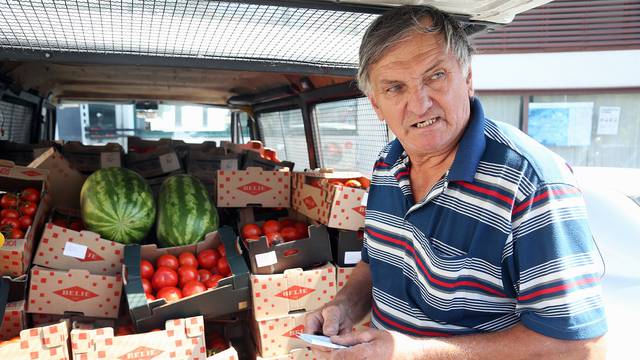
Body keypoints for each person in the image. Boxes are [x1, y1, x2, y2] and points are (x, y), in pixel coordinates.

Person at [305, 5, 607, 359]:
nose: (419, 105)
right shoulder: (387, 166)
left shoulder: (532, 184)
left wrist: (412, 354)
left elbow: (581, 347)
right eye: (395, 88)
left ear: (467, 79)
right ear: (377, 106)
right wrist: (343, 307)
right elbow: (376, 265)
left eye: (435, 76)